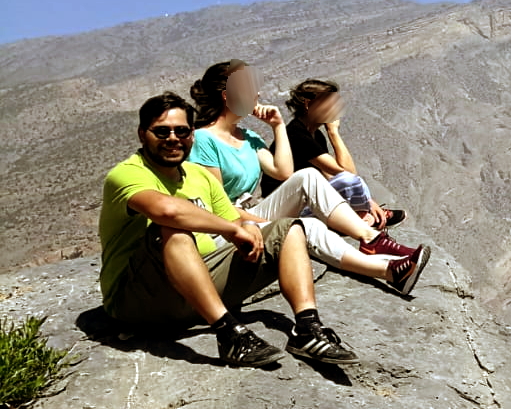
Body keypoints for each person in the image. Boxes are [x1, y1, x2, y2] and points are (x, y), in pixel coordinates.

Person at [98, 92, 359, 367]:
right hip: (138, 300)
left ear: (191, 135)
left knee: (288, 230)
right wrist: (232, 231)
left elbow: (233, 219)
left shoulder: (198, 175)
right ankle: (229, 335)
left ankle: (307, 329)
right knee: (173, 231)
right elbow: (167, 211)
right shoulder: (126, 173)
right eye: (162, 131)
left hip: (196, 290)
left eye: (182, 131)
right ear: (143, 135)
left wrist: (247, 229)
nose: (173, 138)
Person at [188, 60, 430, 296]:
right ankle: (389, 271)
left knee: (308, 176)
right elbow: (217, 208)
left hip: (249, 215)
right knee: (307, 226)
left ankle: (373, 241)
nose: (257, 94)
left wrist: (277, 126)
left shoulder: (247, 137)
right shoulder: (204, 140)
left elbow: (283, 172)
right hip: (228, 228)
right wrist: (268, 223)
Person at [282, 77, 404, 229]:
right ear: (308, 104)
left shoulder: (315, 135)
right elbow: (348, 174)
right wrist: (333, 132)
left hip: (305, 199)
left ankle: (364, 216)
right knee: (348, 182)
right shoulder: (296, 135)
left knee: (347, 185)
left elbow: (331, 176)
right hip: (289, 208)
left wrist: (368, 201)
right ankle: (364, 219)